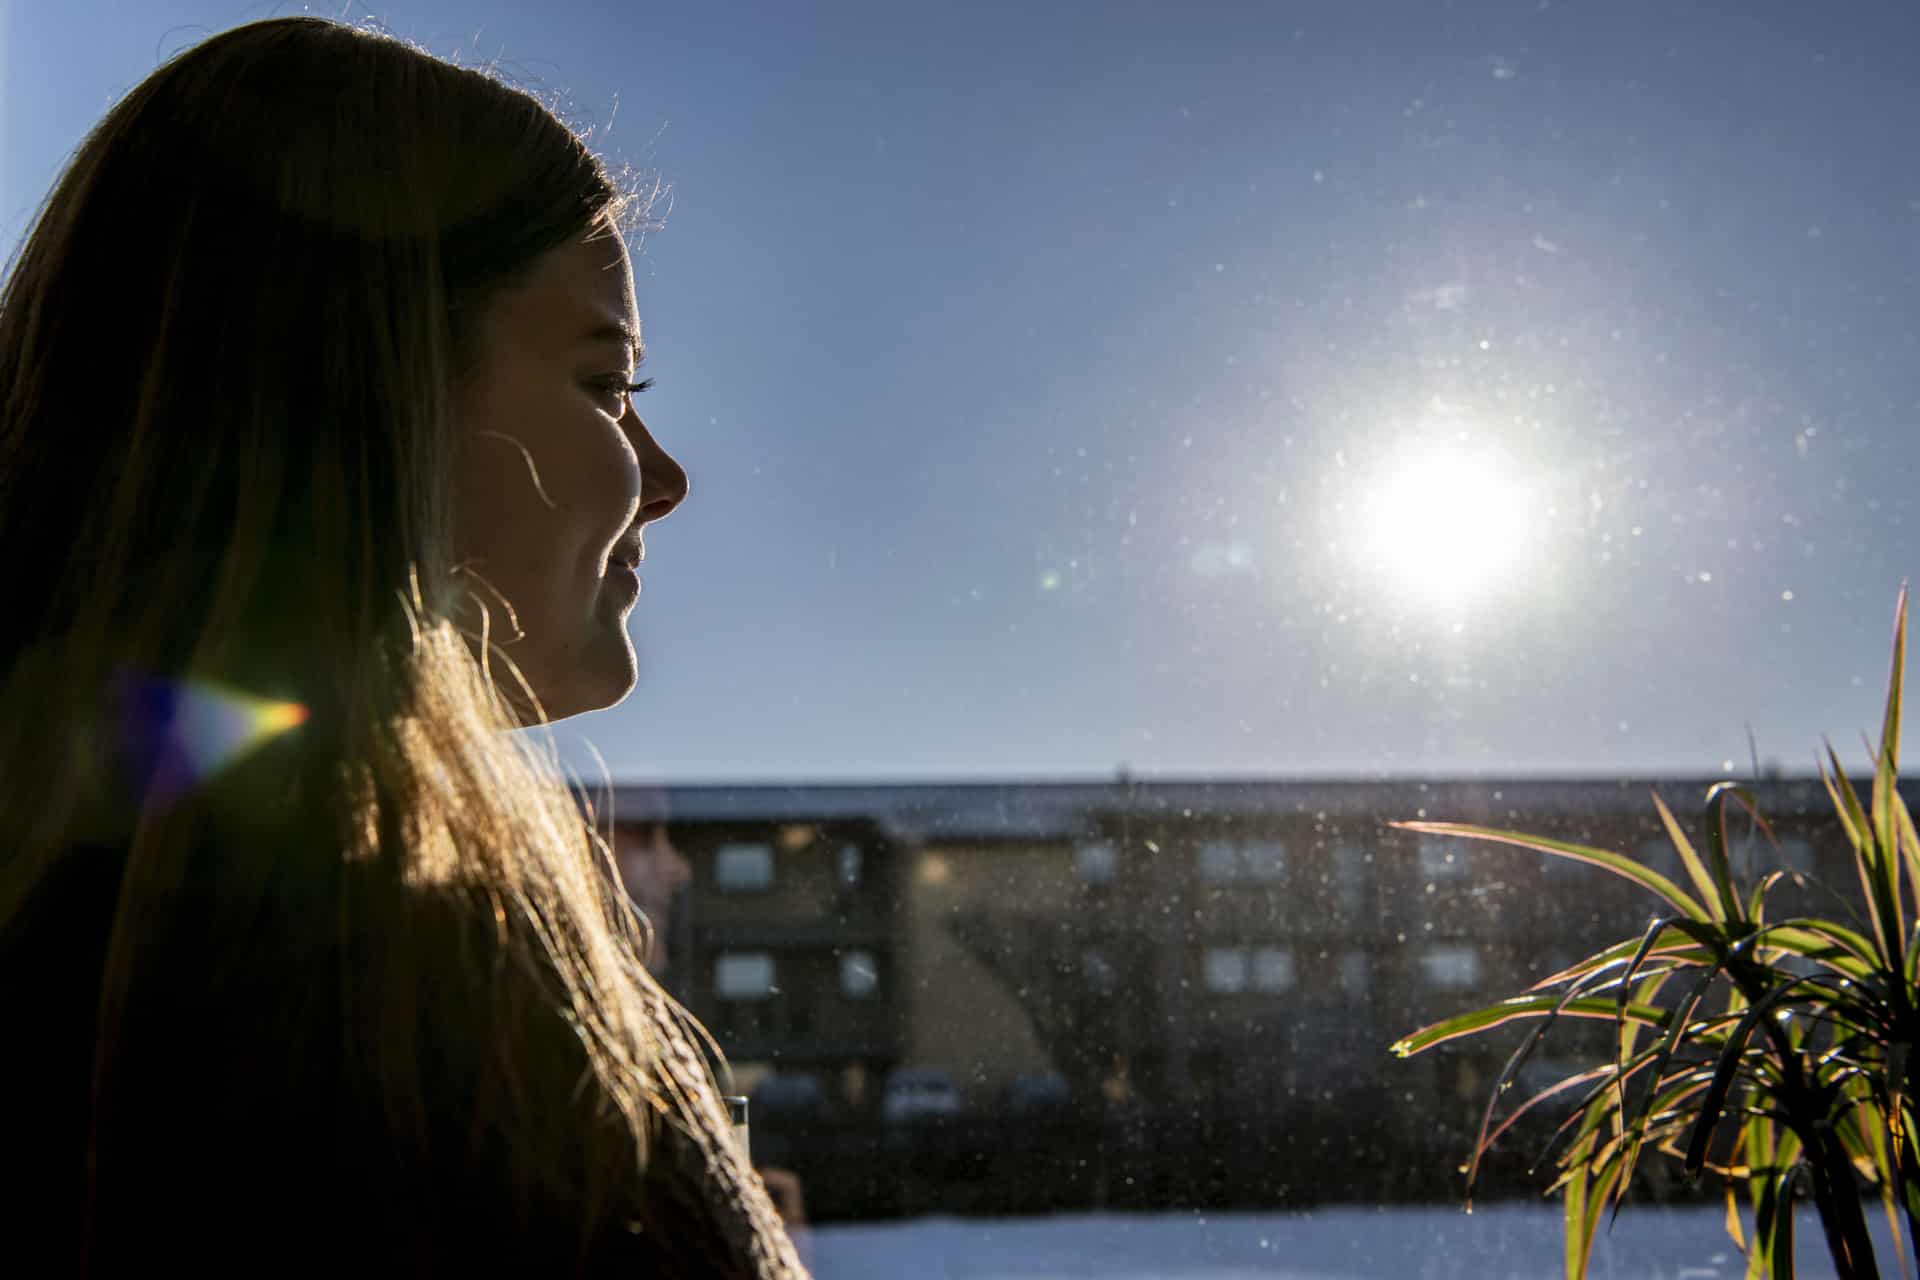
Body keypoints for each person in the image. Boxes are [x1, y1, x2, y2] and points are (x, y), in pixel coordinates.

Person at [0, 17, 807, 1276]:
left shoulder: (114, 917)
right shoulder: (390, 973)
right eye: (610, 383)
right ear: (372, 398)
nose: (666, 477)